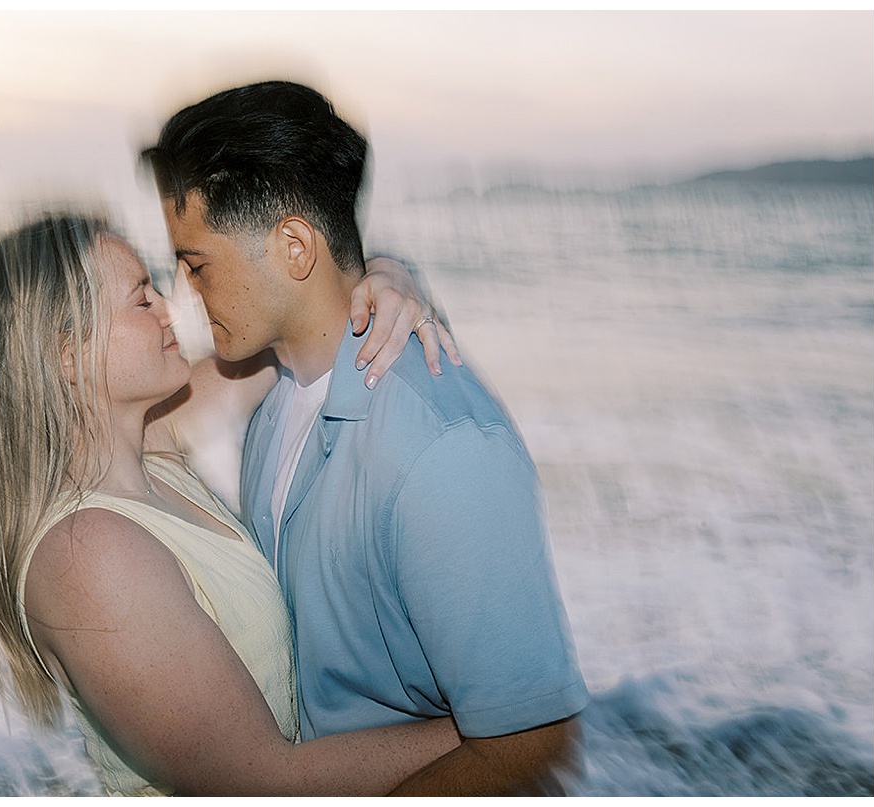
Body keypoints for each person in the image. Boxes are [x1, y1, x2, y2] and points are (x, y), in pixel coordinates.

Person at [143, 80, 590, 795]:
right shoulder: (270, 388)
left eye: (196, 264)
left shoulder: (441, 449)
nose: (185, 291)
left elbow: (532, 743)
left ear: (294, 247)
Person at [0, 213, 464, 795]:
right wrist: (496, 729)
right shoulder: (86, 556)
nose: (170, 307)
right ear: (67, 357)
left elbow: (304, 316)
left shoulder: (151, 444)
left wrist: (390, 277)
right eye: (141, 300)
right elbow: (260, 783)